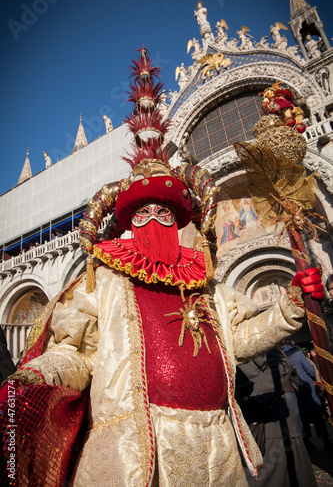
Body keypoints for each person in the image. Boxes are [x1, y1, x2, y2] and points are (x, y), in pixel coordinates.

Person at [0, 48, 325, 487]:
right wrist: (42, 375)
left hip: (218, 447)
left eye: (166, 213)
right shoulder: (106, 281)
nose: (155, 221)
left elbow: (239, 340)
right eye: (143, 213)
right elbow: (76, 353)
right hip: (137, 453)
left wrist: (289, 306)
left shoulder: (204, 285)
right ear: (129, 222)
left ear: (180, 220)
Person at [236, 347, 317, 487]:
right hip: (245, 430)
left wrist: (250, 403)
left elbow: (281, 366)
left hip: (271, 429)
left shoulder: (246, 333)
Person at [282, 340, 333, 453]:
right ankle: (326, 441)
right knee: (317, 415)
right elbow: (310, 369)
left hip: (293, 388)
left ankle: (308, 444)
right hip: (306, 385)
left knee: (302, 417)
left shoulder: (281, 356)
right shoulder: (297, 353)